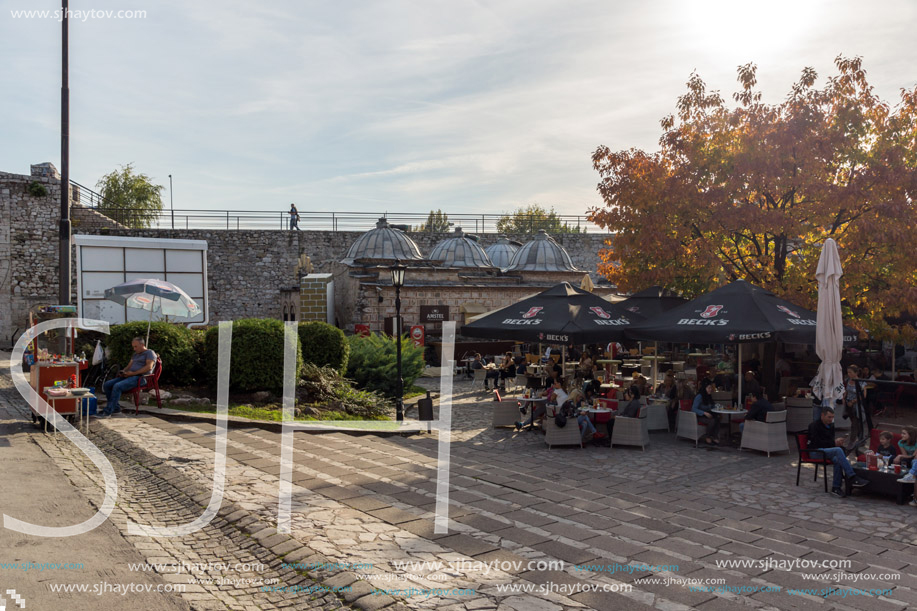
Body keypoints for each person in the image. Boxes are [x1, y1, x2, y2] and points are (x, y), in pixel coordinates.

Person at [806, 408, 869, 498]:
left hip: (827, 450)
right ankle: (852, 477)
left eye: (832, 417)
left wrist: (837, 442)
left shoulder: (831, 426)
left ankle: (836, 487)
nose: (830, 419)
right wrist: (833, 443)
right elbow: (815, 442)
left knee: (838, 459)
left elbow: (830, 441)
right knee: (838, 450)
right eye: (829, 417)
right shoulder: (814, 425)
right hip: (815, 451)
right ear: (822, 416)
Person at [100, 337, 156, 417]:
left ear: (142, 345)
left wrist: (133, 374)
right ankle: (115, 408)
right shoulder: (135, 355)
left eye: (136, 346)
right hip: (130, 376)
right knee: (107, 385)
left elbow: (149, 367)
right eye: (133, 347)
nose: (134, 349)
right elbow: (129, 366)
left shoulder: (149, 353)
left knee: (117, 386)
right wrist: (123, 371)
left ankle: (107, 412)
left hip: (141, 378)